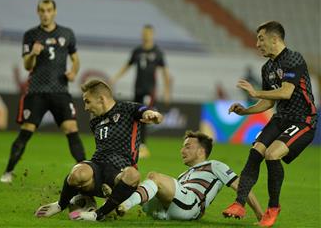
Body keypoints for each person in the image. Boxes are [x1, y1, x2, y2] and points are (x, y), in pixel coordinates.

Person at [222, 21, 318, 227]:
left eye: (261, 39)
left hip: (303, 120)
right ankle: (239, 203)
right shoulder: (268, 67)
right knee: (256, 151)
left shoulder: (293, 58)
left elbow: (286, 92)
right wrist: (245, 110)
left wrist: (256, 91)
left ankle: (273, 208)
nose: (257, 44)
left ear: (275, 39)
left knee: (271, 154)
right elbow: (269, 102)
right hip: (280, 118)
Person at [35, 79, 163, 221]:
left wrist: (153, 115)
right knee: (77, 173)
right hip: (97, 166)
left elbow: (145, 112)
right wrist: (61, 204)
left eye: (87, 101)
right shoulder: (95, 121)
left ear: (101, 99)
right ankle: (61, 205)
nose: (85, 107)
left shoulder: (128, 108)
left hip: (120, 171)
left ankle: (98, 214)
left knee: (133, 175)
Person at [0, 0, 86, 183]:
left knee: (72, 129)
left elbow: (76, 59)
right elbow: (26, 65)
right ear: (38, 12)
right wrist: (33, 53)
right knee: (27, 130)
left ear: (54, 12)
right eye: (42, 11)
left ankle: (88, 172)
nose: (45, 14)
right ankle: (8, 172)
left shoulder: (67, 33)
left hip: (60, 90)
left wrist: (73, 72)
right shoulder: (31, 35)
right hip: (37, 91)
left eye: (48, 10)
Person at [114, 130, 263, 221]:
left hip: (191, 205)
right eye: (182, 147)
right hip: (171, 209)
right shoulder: (184, 174)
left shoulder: (214, 165)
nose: (182, 151)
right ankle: (112, 205)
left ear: (201, 151)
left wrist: (260, 215)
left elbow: (242, 187)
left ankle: (124, 205)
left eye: (187, 147)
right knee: (127, 177)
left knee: (154, 176)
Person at [111, 24, 171, 158]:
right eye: (144, 33)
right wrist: (115, 78)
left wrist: (167, 91)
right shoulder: (137, 51)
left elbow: (165, 73)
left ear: (153, 35)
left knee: (145, 115)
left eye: (148, 33)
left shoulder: (158, 53)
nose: (146, 36)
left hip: (150, 91)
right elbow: (127, 65)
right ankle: (136, 145)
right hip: (138, 89)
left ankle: (142, 146)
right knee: (136, 116)